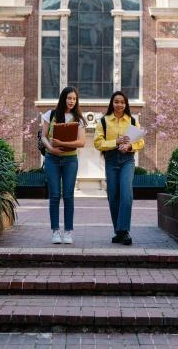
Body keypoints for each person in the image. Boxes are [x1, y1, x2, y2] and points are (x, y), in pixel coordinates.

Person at [94, 90, 145, 245]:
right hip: (111, 159)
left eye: (122, 102)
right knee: (113, 195)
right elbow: (97, 143)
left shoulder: (132, 121)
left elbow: (141, 142)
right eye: (116, 101)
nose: (119, 104)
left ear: (126, 104)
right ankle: (119, 231)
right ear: (112, 103)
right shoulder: (103, 121)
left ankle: (124, 231)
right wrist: (115, 142)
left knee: (126, 193)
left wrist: (129, 146)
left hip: (127, 160)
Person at [41, 86, 86, 244]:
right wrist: (52, 148)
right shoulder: (51, 114)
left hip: (70, 161)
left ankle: (68, 232)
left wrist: (62, 142)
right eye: (69, 98)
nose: (71, 101)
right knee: (54, 196)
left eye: (74, 99)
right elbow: (44, 137)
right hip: (52, 159)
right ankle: (55, 231)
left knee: (68, 196)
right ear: (63, 99)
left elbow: (81, 142)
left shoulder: (78, 119)